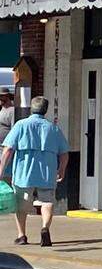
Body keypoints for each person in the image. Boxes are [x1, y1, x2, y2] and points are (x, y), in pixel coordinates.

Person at [0, 96, 68, 247]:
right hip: (47, 173)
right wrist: (61, 169)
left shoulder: (20, 125)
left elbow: (8, 150)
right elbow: (64, 153)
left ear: (32, 109)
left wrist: (1, 170)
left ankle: (22, 235)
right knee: (47, 202)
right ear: (45, 110)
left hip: (24, 173)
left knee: (21, 205)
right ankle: (45, 228)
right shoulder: (53, 128)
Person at [0, 87, 14, 179]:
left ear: (7, 97)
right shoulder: (2, 109)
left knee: (5, 175)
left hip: (5, 148)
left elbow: (13, 130)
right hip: (0, 147)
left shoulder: (12, 111)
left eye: (1, 96)